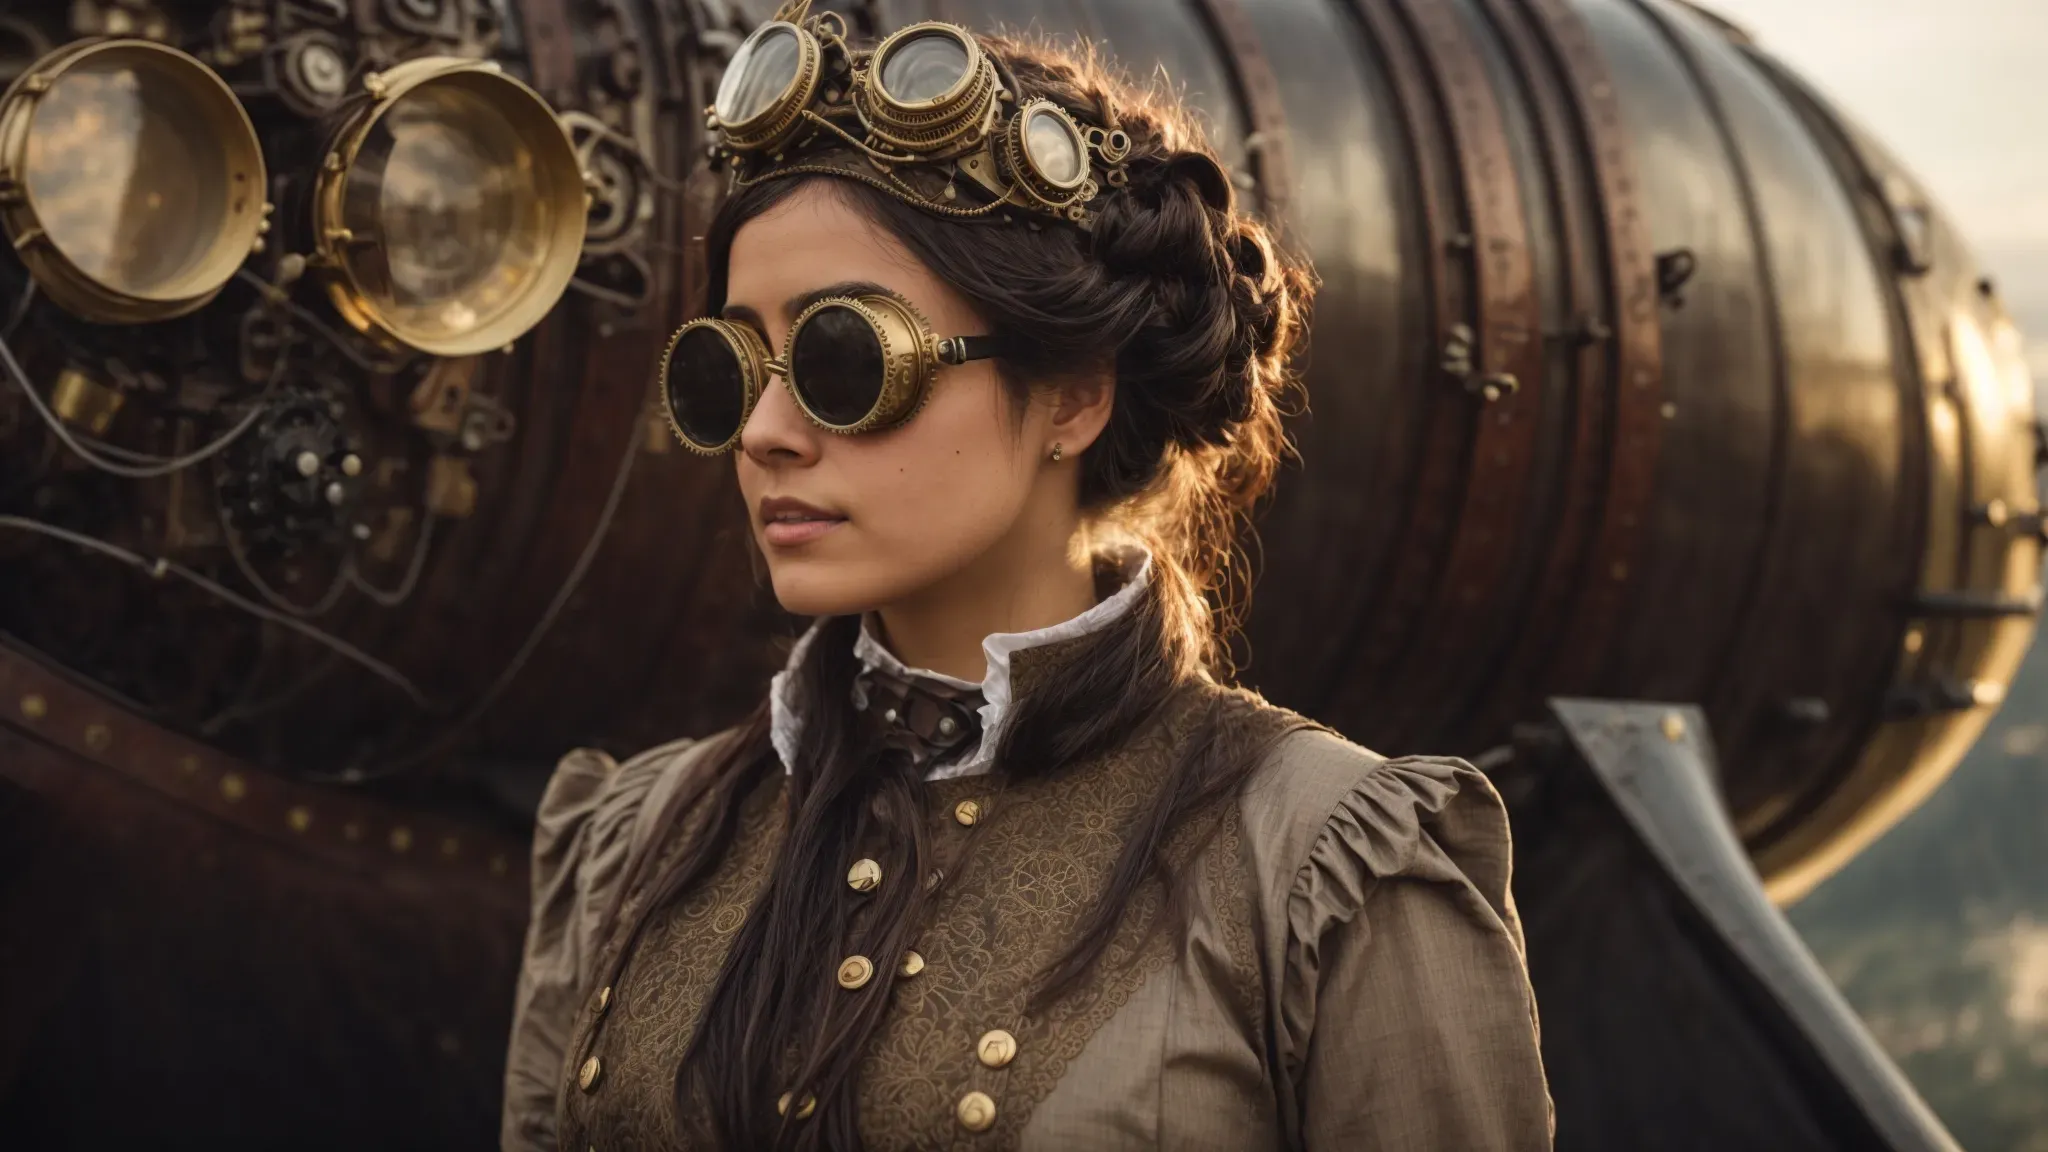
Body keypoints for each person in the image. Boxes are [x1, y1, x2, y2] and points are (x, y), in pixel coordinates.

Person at [501, 4, 1551, 1148]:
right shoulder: (641, 835)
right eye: (728, 365)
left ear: (1071, 397)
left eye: (842, 358)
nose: (762, 432)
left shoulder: (1315, 863)